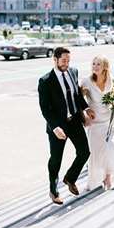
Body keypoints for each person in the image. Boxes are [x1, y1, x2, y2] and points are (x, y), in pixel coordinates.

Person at [38, 47, 95, 204]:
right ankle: (53, 190)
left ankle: (70, 178)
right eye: (63, 61)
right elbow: (45, 108)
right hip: (58, 126)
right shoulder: (45, 81)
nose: (66, 64)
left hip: (75, 121)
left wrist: (86, 108)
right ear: (55, 60)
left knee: (84, 152)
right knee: (56, 159)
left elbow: (76, 95)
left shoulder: (73, 72)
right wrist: (55, 127)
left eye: (68, 61)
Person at [81, 55, 114, 191]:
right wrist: (84, 115)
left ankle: (108, 178)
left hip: (109, 122)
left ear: (105, 67)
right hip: (94, 124)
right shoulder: (86, 82)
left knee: (110, 149)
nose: (95, 66)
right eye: (93, 64)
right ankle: (95, 181)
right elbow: (77, 100)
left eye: (98, 64)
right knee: (96, 154)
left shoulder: (112, 82)